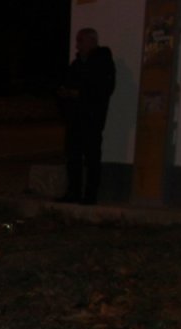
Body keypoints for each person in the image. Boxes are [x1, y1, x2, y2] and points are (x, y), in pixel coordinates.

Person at [58, 28, 115, 205]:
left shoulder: (103, 61)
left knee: (91, 158)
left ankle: (90, 195)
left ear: (91, 41)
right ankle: (73, 192)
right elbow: (67, 83)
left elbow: (103, 89)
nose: (77, 45)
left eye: (80, 40)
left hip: (92, 118)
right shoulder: (76, 64)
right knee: (73, 156)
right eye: (77, 41)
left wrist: (80, 94)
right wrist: (64, 93)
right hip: (74, 118)